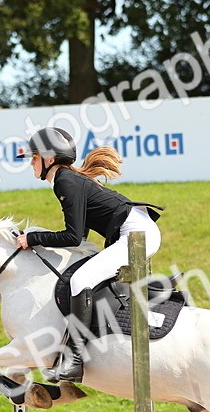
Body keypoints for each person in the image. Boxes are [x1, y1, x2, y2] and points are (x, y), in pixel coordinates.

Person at [15, 127, 164, 383]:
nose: (31, 162)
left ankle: (73, 359)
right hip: (135, 231)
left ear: (49, 159)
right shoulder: (66, 180)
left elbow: (73, 237)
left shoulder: (65, 181)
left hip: (137, 234)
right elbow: (80, 235)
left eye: (34, 157)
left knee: (80, 280)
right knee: (85, 275)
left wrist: (32, 238)